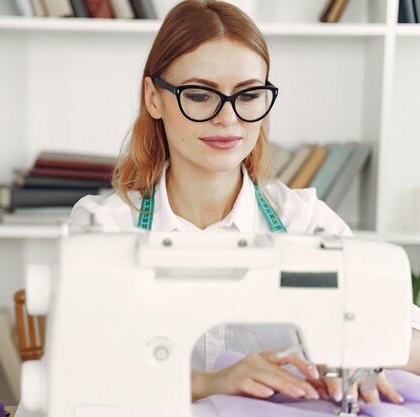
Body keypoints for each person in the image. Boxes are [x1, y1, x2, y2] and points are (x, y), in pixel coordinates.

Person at [70, 0, 420, 406]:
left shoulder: (304, 223)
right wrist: (208, 382)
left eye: (249, 94)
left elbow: (401, 329)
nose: (228, 119)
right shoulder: (105, 228)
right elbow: (81, 369)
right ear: (154, 98)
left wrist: (368, 357)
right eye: (200, 95)